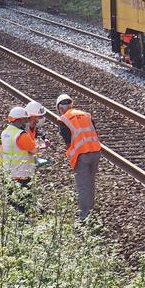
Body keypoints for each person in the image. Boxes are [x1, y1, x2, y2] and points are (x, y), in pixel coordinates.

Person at [55, 93, 103, 221]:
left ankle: (83, 217)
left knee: (82, 186)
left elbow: (68, 141)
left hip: (81, 154)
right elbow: (94, 131)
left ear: (60, 108)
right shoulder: (86, 115)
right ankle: (91, 212)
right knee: (90, 182)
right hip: (95, 151)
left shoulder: (64, 119)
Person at [0, 106, 39, 211]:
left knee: (13, 205)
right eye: (25, 120)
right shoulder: (21, 135)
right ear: (19, 120)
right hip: (22, 175)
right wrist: (39, 145)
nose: (26, 123)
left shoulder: (5, 133)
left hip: (9, 174)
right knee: (23, 205)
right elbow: (34, 150)